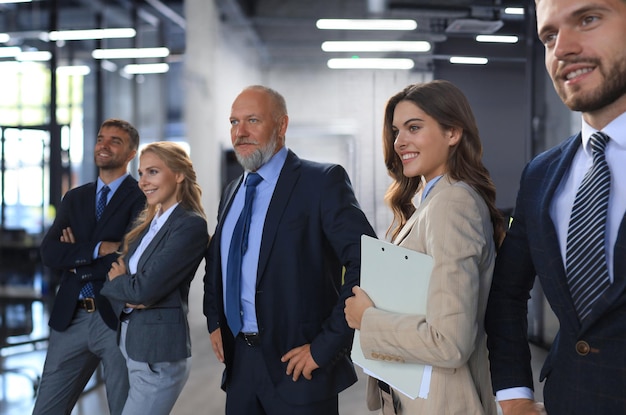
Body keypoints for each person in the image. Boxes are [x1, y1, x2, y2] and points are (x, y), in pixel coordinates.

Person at [484, 0, 626, 414]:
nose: (562, 47)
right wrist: (513, 396)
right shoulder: (542, 175)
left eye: (588, 19)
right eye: (548, 36)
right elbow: (507, 295)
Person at [203, 85, 376, 415]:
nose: (240, 132)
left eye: (252, 120)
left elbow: (365, 261)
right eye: (234, 122)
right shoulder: (232, 191)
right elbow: (217, 262)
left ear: (281, 126)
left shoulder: (321, 182)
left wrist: (325, 348)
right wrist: (215, 321)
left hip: (299, 366)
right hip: (240, 367)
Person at [344, 80, 505, 415]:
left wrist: (367, 320)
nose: (400, 141)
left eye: (414, 128)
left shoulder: (452, 204)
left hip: (443, 403)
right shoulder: (432, 202)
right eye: (396, 130)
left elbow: (449, 342)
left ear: (452, 133)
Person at [35, 118, 145, 415]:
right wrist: (98, 249)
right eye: (101, 139)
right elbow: (49, 252)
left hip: (115, 318)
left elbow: (128, 259)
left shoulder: (141, 200)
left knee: (123, 409)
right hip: (70, 317)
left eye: (115, 141)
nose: (104, 146)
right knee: (46, 409)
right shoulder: (75, 198)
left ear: (132, 152)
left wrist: (76, 256)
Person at [100, 141, 209, 415]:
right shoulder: (151, 222)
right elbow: (116, 273)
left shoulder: (189, 225)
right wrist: (131, 290)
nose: (143, 181)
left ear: (179, 174)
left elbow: (142, 290)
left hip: (157, 357)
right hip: (132, 343)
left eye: (152, 172)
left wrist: (130, 290)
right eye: (140, 173)